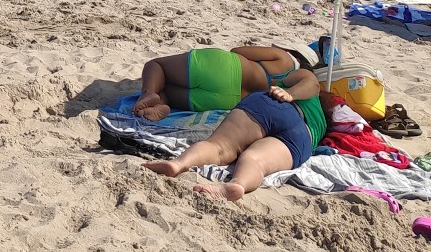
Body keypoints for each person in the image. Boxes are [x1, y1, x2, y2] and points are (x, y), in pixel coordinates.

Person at [141, 73, 324, 202]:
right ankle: (237, 184)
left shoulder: (305, 77)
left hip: (274, 104)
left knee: (218, 147)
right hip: (301, 137)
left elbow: (312, 82)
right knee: (254, 160)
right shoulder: (322, 122)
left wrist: (289, 93)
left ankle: (179, 164)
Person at [132, 45, 314, 121]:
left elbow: (237, 50)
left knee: (156, 66)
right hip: (228, 100)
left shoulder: (284, 59)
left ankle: (148, 93)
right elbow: (312, 84)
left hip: (227, 68)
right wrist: (291, 94)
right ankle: (162, 104)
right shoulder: (290, 81)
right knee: (167, 92)